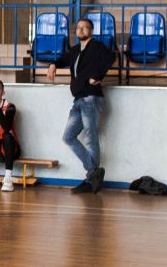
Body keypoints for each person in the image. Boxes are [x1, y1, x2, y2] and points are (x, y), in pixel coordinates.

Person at [47, 16, 116, 193]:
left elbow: (111, 57)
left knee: (90, 137)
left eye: (85, 28)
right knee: (68, 137)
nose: (81, 30)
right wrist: (53, 64)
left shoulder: (97, 46)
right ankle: (94, 172)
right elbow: (63, 59)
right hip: (78, 100)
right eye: (78, 28)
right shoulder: (76, 49)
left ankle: (91, 176)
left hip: (91, 98)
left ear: (91, 31)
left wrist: (98, 76)